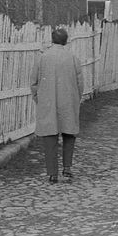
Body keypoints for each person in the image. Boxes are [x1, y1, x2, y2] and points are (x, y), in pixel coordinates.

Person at [30, 28, 84, 184]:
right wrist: (76, 99)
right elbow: (80, 83)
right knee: (69, 133)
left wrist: (38, 99)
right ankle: (67, 167)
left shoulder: (42, 58)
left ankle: (52, 173)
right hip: (69, 100)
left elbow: (33, 82)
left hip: (47, 101)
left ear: (52, 40)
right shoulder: (73, 58)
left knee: (49, 135)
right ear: (66, 41)